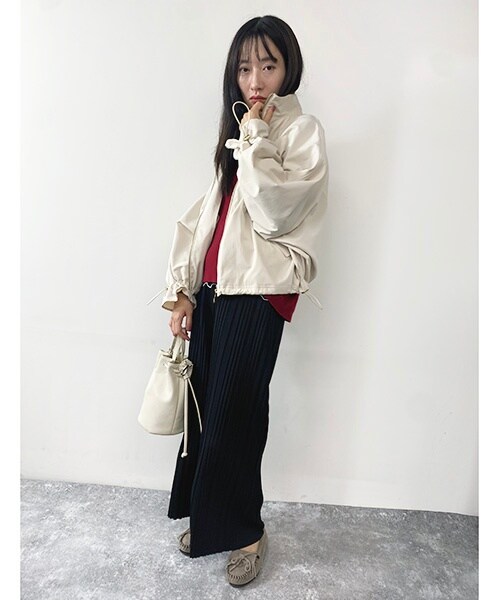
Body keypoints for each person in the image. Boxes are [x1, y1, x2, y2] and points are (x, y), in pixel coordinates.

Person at [147, 14, 328, 586]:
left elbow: (275, 209)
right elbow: (210, 217)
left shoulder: (299, 132)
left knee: (237, 413)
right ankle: (213, 521)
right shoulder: (241, 128)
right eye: (245, 68)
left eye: (268, 66)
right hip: (214, 290)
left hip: (259, 293)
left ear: (288, 68)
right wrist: (183, 290)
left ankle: (246, 532)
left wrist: (255, 139)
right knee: (206, 409)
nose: (256, 80)